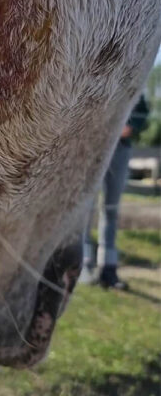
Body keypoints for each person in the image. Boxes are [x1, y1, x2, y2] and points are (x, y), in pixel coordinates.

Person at [82, 94, 150, 290]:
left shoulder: (131, 78)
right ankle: (84, 263)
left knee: (111, 209)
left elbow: (141, 111)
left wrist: (130, 126)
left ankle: (108, 267)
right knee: (87, 207)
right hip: (94, 147)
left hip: (120, 149)